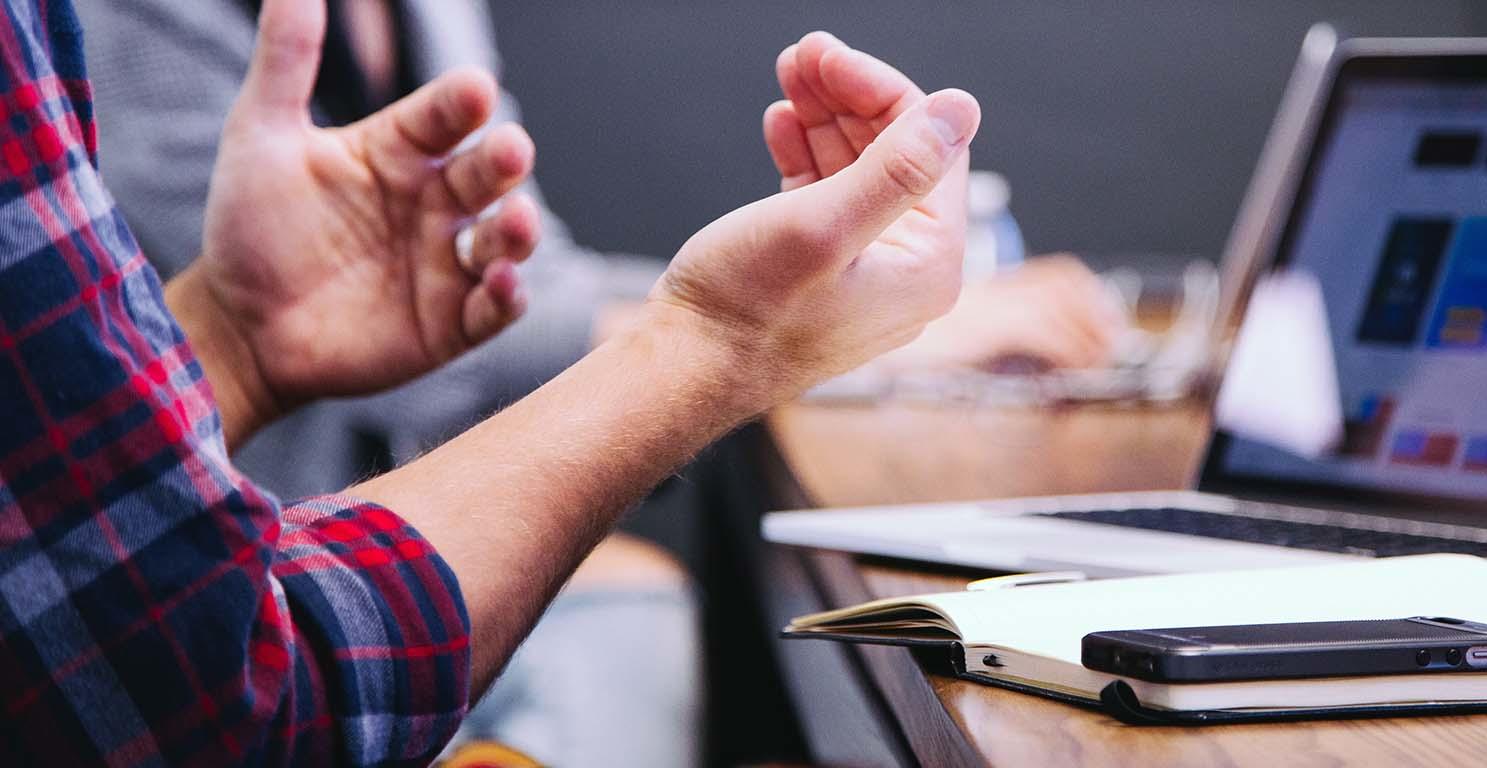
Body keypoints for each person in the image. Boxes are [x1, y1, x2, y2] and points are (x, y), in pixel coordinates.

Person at [76, 2, 1123, 764]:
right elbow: (233, 696)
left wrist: (241, 335)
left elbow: (496, 282)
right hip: (243, 628)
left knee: (655, 610)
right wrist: (743, 333)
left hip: (303, 599)